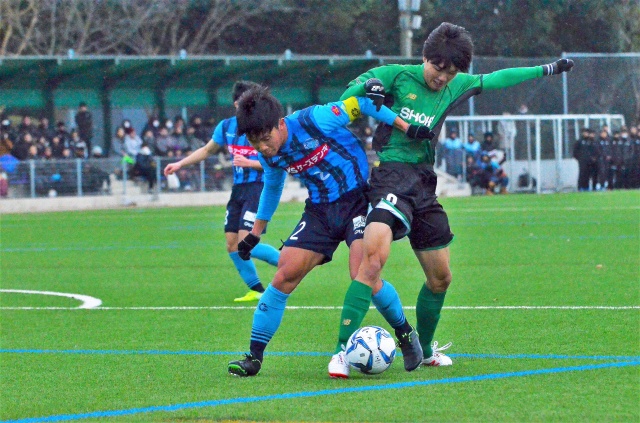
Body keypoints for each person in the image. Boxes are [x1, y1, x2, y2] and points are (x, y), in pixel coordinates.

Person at [339, 22, 574, 367]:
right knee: (372, 263)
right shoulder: (397, 75)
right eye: (438, 68)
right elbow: (348, 96)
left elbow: (498, 78)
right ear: (425, 57)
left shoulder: (457, 84)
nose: (442, 78)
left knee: (441, 278)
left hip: (424, 183)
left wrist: (547, 68)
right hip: (390, 176)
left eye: (451, 72)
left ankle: (425, 348)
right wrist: (368, 88)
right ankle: (341, 353)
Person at [227, 85, 429, 378]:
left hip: (358, 201)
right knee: (284, 274)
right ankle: (254, 357)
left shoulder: (315, 119)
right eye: (255, 142)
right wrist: (256, 233)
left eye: (266, 138)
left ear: (280, 124)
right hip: (320, 211)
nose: (263, 148)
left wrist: (406, 127)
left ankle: (405, 333)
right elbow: (272, 186)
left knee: (363, 275)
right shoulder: (270, 154)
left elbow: (361, 104)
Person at [164, 81, 281, 302]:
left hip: (258, 188)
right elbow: (207, 150)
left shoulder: (262, 127)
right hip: (238, 190)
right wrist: (180, 164)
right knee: (232, 244)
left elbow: (277, 161)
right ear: (237, 104)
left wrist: (250, 163)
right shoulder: (226, 127)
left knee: (249, 243)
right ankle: (256, 290)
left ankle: (290, 262)